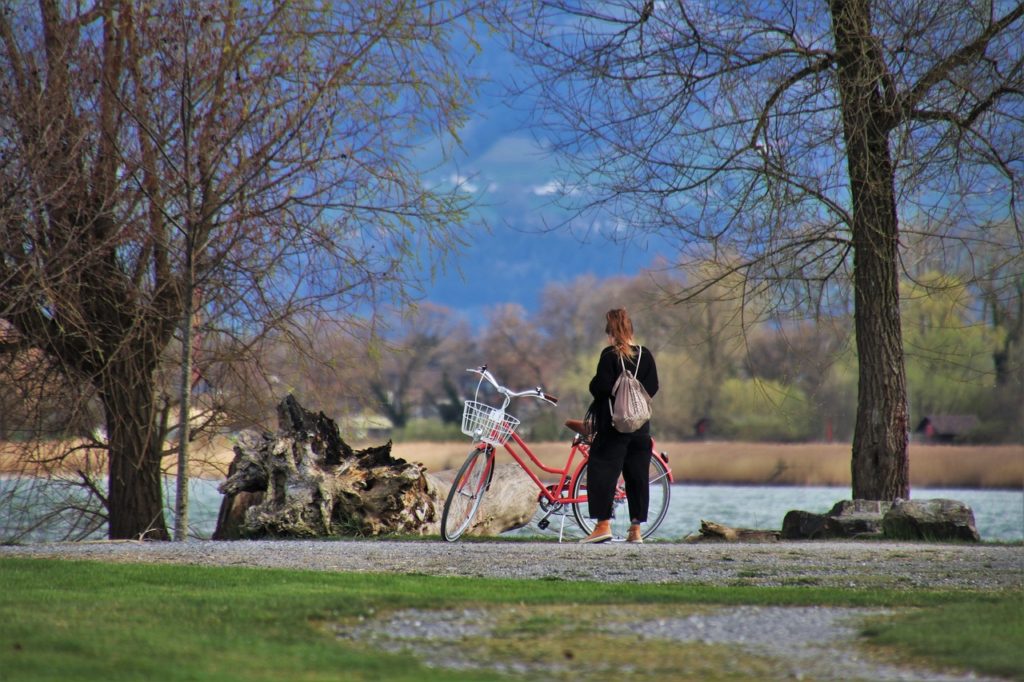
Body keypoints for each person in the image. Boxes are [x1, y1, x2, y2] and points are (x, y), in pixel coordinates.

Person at [581, 308, 659, 544]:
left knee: (602, 472)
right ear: (631, 331)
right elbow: (653, 387)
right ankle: (635, 531)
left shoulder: (609, 355)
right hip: (640, 428)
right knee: (637, 476)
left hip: (613, 428)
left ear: (610, 334)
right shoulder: (646, 355)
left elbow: (601, 388)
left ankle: (603, 525)